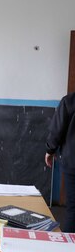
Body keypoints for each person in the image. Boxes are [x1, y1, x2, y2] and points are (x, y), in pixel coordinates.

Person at [45, 93, 75, 233]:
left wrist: (50, 150)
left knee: (73, 208)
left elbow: (57, 130)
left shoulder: (69, 101)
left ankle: (68, 250)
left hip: (72, 162)